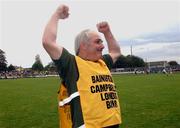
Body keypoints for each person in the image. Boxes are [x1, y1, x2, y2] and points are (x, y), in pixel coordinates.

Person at [42, 4, 122, 128]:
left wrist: (107, 32)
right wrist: (57, 14)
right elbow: (48, 41)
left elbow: (116, 52)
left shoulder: (102, 62)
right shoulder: (72, 64)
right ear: (83, 45)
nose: (102, 46)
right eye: (98, 42)